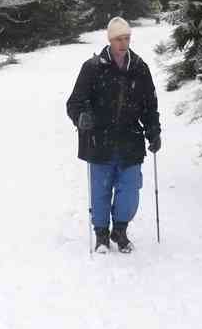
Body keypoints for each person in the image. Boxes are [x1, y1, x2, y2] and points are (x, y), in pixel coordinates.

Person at [66, 17, 161, 253]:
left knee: (129, 190)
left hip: (130, 140)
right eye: (119, 39)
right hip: (99, 141)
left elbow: (150, 105)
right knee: (100, 190)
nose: (124, 43)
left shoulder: (139, 68)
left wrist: (154, 132)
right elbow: (75, 102)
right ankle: (101, 235)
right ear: (110, 40)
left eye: (127, 38)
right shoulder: (93, 67)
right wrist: (81, 117)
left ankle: (120, 230)